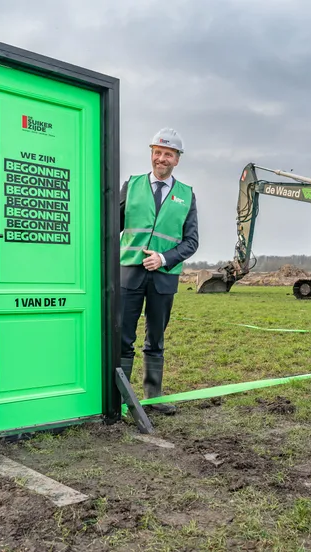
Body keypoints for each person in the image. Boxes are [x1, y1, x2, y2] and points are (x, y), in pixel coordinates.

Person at [119, 129, 199, 414]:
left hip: (164, 278)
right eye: (157, 152)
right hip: (128, 274)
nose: (161, 158)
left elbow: (191, 241)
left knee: (155, 339)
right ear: (151, 153)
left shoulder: (186, 195)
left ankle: (152, 398)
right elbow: (109, 226)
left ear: (177, 159)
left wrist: (164, 258)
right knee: (122, 337)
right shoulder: (132, 185)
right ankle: (117, 399)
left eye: (168, 154)